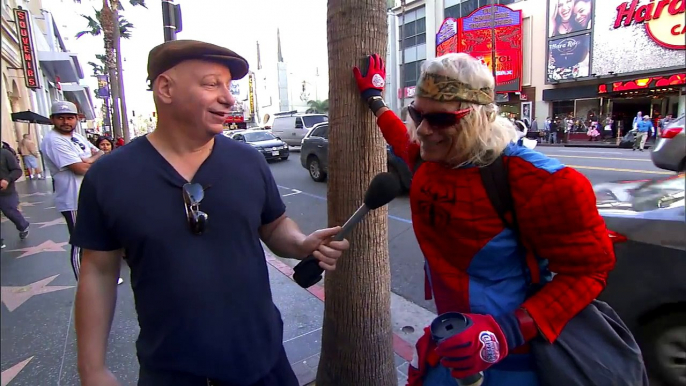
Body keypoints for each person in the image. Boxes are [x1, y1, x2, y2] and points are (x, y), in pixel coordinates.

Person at [71, 40, 350, 386]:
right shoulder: (109, 176)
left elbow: (274, 224)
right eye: (211, 84)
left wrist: (300, 242)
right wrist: (92, 369)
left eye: (229, 87)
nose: (229, 98)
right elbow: (97, 272)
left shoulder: (248, 161)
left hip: (264, 362)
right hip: (170, 371)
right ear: (166, 88)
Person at [352, 53, 615, 386]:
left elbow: (589, 271)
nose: (422, 130)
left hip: (516, 357)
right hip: (449, 343)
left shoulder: (543, 182)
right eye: (416, 113)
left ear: (479, 118)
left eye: (441, 120)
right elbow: (397, 134)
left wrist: (506, 330)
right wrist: (373, 98)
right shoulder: (426, 156)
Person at [40, 101, 104, 281]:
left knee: (94, 240)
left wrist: (88, 160)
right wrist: (89, 162)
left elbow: (100, 153)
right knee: (80, 242)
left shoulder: (77, 137)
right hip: (72, 199)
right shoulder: (54, 140)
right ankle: (82, 282)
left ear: (77, 119)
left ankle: (96, 278)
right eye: (60, 118)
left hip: (88, 195)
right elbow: (79, 169)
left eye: (70, 117)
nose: (65, 122)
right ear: (52, 119)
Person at [1, 145, 31, 246]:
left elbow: (17, 170)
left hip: (5, 191)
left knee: (9, 211)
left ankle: (23, 226)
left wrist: (7, 180)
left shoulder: (5, 154)